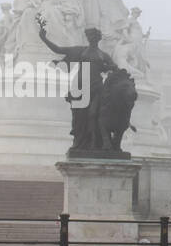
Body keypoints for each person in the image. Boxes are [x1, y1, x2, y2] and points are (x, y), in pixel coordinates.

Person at [38, 21, 117, 151]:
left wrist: (109, 67)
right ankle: (80, 141)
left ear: (97, 38)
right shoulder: (81, 51)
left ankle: (98, 142)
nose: (91, 39)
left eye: (93, 37)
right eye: (89, 37)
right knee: (79, 116)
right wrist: (44, 38)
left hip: (97, 87)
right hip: (81, 87)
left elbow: (115, 68)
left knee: (95, 113)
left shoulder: (104, 55)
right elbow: (58, 49)